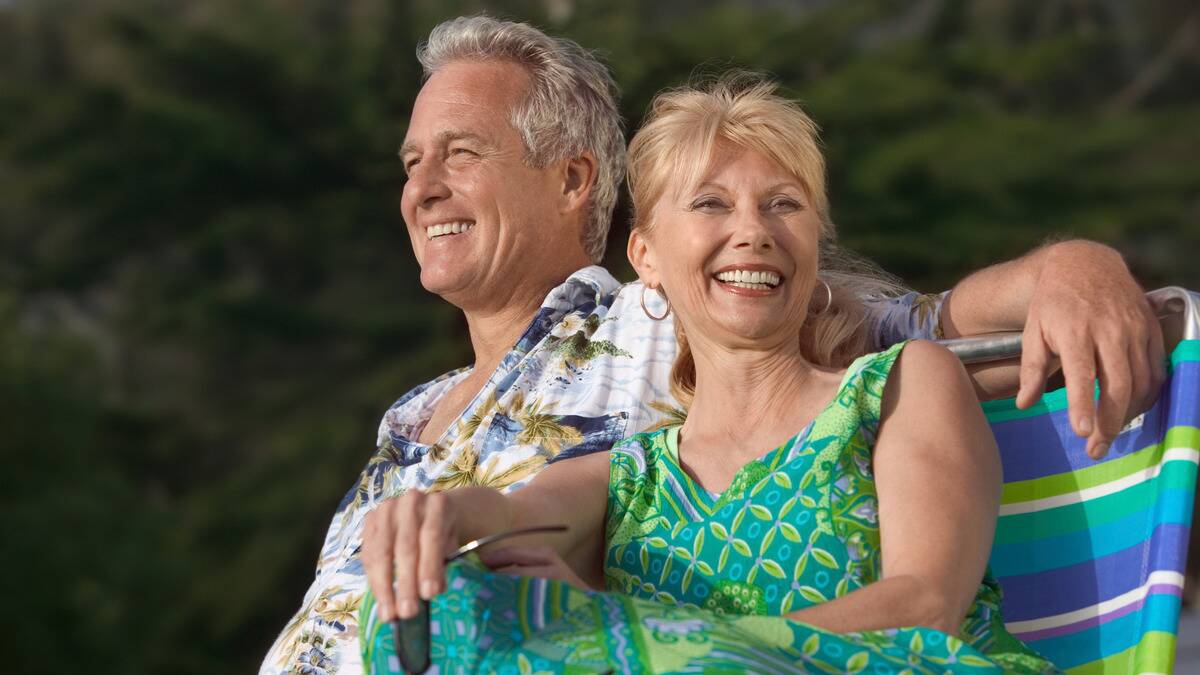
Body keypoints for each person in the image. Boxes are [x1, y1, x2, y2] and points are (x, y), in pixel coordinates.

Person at [262, 16, 1159, 675]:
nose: (422, 187)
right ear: (651, 249)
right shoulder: (447, 425)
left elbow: (937, 329)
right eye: (411, 162)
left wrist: (1072, 264)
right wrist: (438, 519)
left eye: (459, 153)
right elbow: (505, 515)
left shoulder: (648, 329)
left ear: (578, 182)